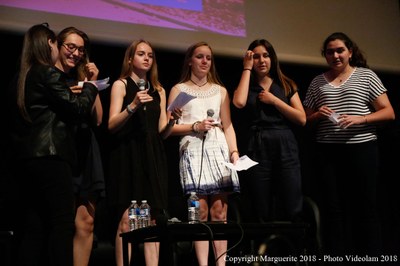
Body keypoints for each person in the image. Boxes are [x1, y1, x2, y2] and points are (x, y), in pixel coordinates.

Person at [8, 23, 98, 266]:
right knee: (61, 224)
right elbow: (77, 109)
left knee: (34, 226)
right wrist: (90, 86)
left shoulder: (21, 77)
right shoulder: (46, 73)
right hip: (51, 157)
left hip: (25, 161)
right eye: (55, 43)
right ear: (47, 45)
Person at [302, 32, 395, 256]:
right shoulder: (317, 82)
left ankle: (369, 256)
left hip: (361, 149)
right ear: (324, 55)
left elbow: (389, 112)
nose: (335, 55)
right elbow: (305, 119)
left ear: (350, 52)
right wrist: (317, 115)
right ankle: (336, 255)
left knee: (364, 206)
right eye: (330, 51)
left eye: (340, 50)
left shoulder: (366, 76)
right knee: (332, 208)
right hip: (328, 152)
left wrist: (361, 118)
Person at [167, 41, 240, 266]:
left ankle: (221, 262)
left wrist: (234, 152)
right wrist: (195, 126)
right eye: (200, 57)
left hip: (217, 149)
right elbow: (167, 128)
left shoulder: (220, 91)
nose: (205, 61)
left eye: (208, 57)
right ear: (190, 60)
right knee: (199, 211)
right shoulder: (179, 89)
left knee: (219, 211)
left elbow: (227, 125)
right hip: (193, 150)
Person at [108, 39, 179, 266]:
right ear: (130, 59)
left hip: (152, 154)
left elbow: (162, 132)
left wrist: (171, 122)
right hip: (128, 153)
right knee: (128, 220)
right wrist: (133, 105)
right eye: (141, 54)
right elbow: (111, 124)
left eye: (150, 54)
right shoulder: (121, 85)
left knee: (151, 220)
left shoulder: (159, 90)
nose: (147, 57)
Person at [232, 39, 305, 224]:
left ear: (272, 58)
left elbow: (301, 118)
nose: (261, 60)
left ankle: (293, 246)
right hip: (258, 145)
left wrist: (275, 101)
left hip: (284, 143)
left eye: (266, 55)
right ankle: (261, 249)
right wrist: (246, 69)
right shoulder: (246, 83)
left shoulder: (285, 84)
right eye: (256, 57)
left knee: (291, 197)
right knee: (259, 201)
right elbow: (239, 102)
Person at [55, 26, 106, 266]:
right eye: (70, 47)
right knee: (61, 222)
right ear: (57, 45)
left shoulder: (84, 79)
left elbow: (98, 118)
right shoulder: (48, 77)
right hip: (61, 150)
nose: (75, 53)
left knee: (86, 221)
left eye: (80, 50)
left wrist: (91, 85)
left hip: (85, 149)